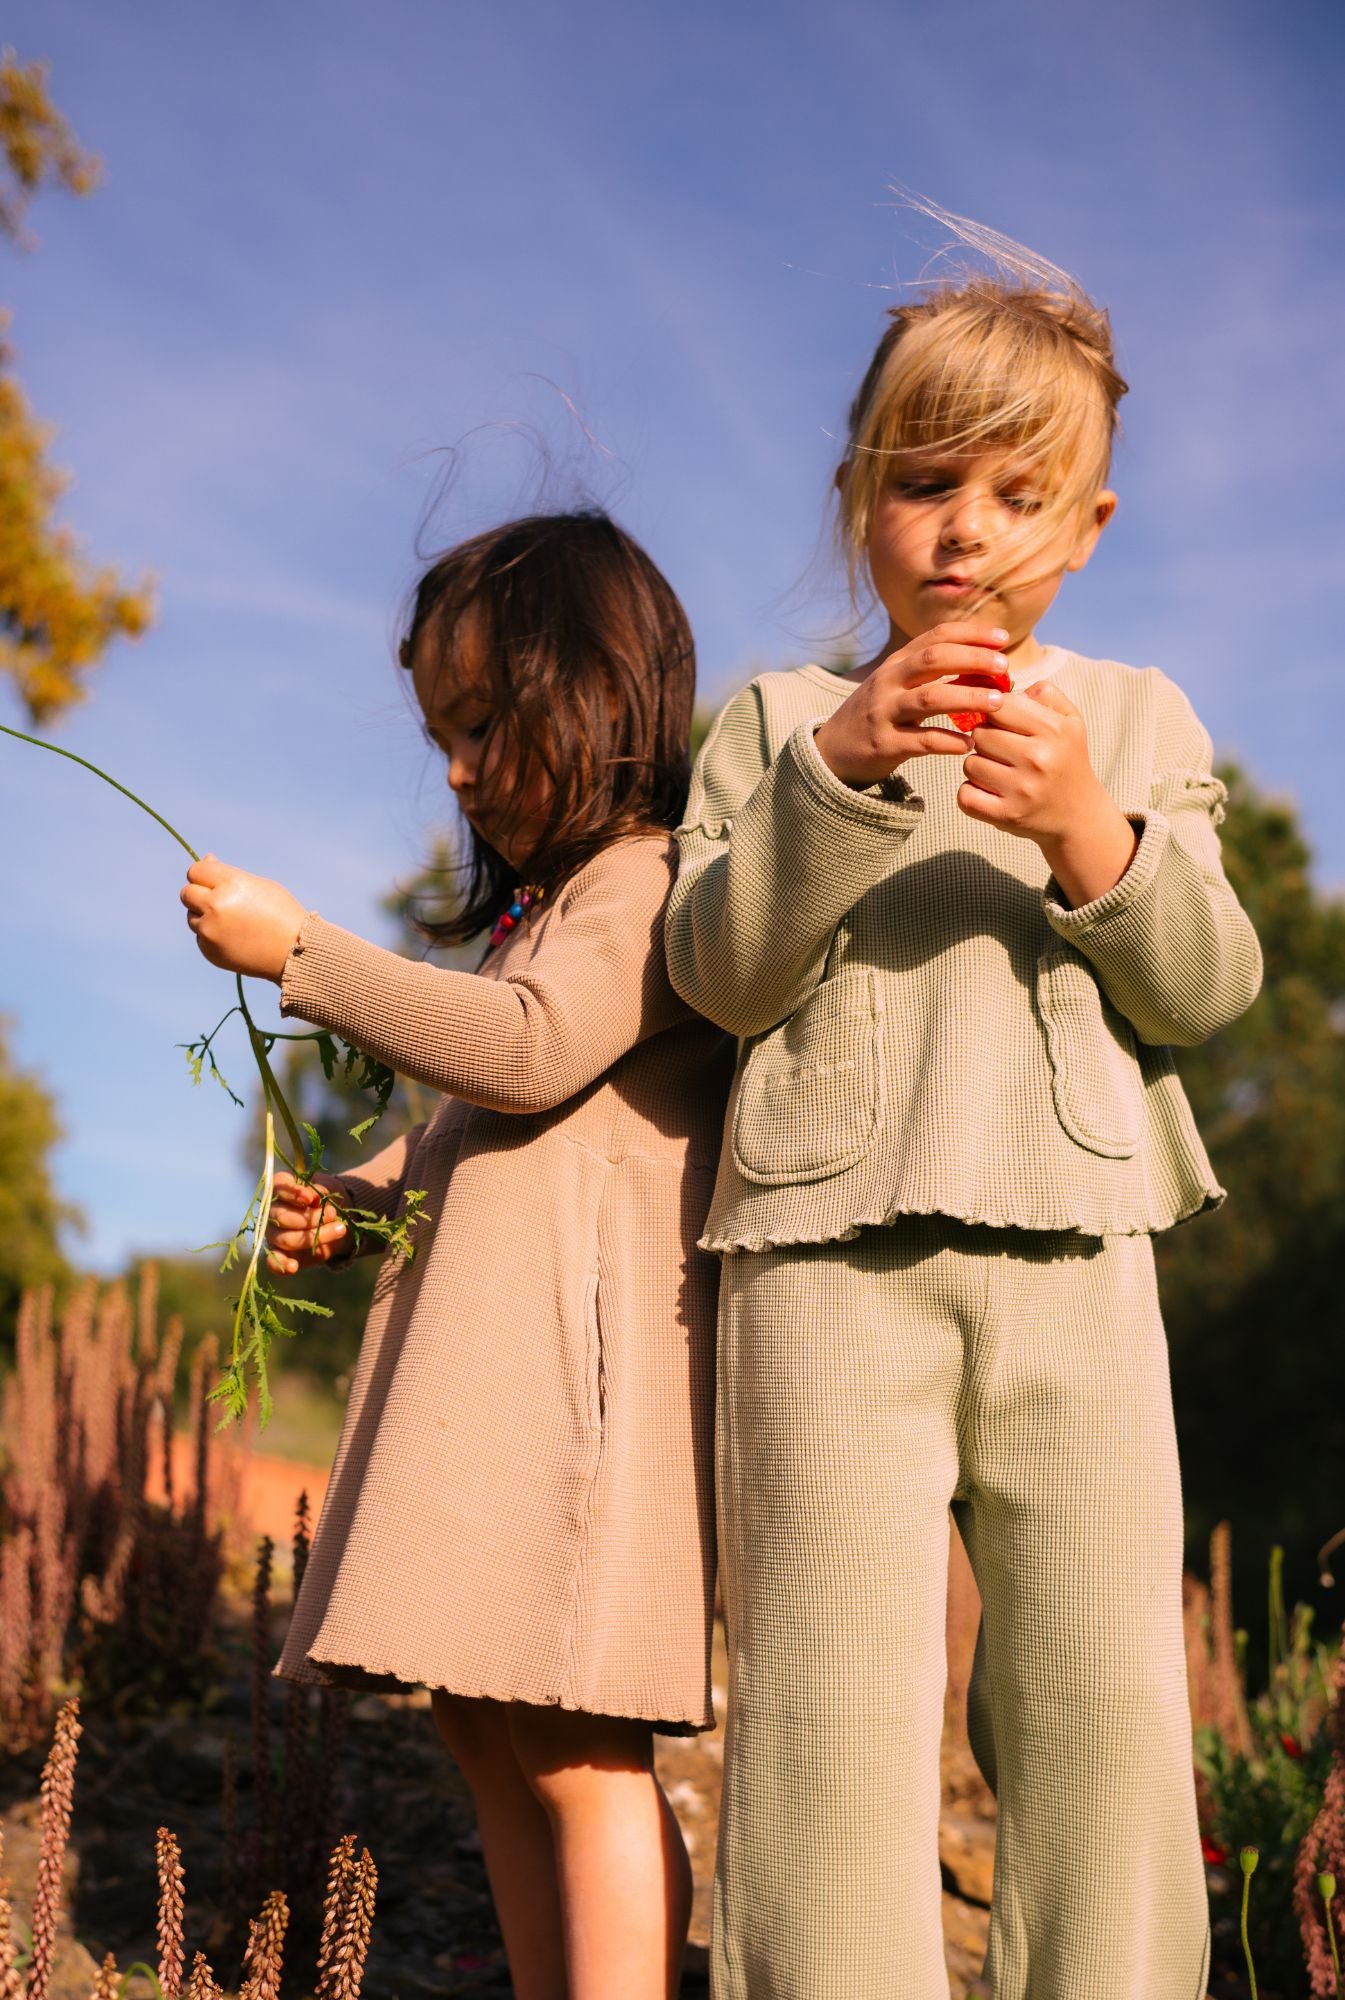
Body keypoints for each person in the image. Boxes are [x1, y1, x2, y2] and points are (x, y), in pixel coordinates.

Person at [666, 217, 1263, 1999]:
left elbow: (1207, 986)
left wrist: (1090, 832)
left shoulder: (1137, 722)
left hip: (1080, 1253)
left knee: (1100, 1701)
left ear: (1084, 529)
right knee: (826, 1710)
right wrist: (838, 773)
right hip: (817, 1258)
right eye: (922, 482)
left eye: (1018, 494)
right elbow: (716, 972)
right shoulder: (775, 719)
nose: (964, 530)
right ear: (860, 495)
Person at [179, 510, 733, 2000]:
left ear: (600, 692)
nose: (458, 769)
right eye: (442, 731)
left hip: (581, 1407)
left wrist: (304, 954)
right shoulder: (536, 918)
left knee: (570, 1740)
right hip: (502, 1392)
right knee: (483, 1726)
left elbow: (531, 1054)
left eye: (482, 723)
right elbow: (472, 1122)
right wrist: (361, 1200)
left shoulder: (649, 881)